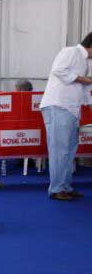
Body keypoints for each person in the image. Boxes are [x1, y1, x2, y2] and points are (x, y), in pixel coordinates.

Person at [39, 33, 92, 201]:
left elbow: (83, 89)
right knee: (59, 150)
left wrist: (89, 103)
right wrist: (84, 79)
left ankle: (65, 186)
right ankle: (56, 189)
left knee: (69, 151)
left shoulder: (85, 62)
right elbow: (58, 70)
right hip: (58, 106)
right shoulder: (71, 52)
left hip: (71, 109)